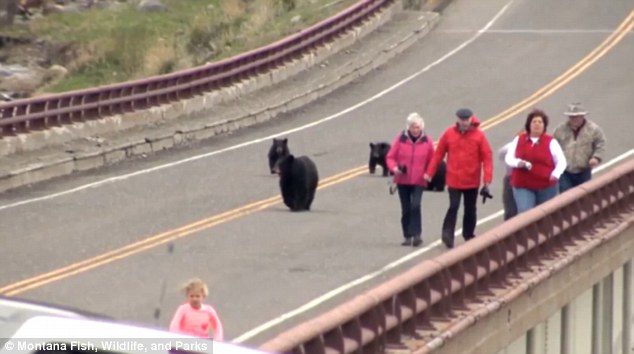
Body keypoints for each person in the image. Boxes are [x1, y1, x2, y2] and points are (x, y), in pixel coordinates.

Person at [425, 108, 493, 249]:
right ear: (457, 119)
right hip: (454, 179)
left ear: (470, 119)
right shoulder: (449, 134)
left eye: (466, 120)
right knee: (453, 206)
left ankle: (468, 234)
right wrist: (429, 173)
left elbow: (487, 158)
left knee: (470, 209)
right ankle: (447, 234)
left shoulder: (479, 136)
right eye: (461, 120)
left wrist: (487, 180)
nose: (464, 123)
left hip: (471, 180)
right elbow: (438, 154)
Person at [386, 112, 435, 247]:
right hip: (403, 179)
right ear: (408, 127)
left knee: (416, 205)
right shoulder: (401, 139)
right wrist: (395, 169)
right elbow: (390, 157)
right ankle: (407, 235)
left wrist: (428, 173)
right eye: (413, 127)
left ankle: (417, 234)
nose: (415, 130)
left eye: (418, 127)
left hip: (419, 180)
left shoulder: (427, 141)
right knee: (406, 208)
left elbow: (434, 160)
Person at [505, 109, 567, 214]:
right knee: (525, 213)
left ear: (544, 126)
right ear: (529, 125)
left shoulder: (551, 142)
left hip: (546, 185)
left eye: (540, 122)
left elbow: (561, 161)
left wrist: (556, 174)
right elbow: (509, 158)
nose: (537, 124)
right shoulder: (519, 139)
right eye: (534, 122)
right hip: (523, 185)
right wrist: (518, 163)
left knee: (546, 214)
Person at [552, 102, 606, 193]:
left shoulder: (593, 129)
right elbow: (552, 146)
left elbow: (600, 144)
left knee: (584, 195)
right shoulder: (560, 130)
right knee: (566, 197)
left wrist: (596, 157)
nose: (573, 119)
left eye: (576, 117)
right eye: (571, 117)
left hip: (584, 170)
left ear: (582, 116)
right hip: (565, 171)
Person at [498, 130, 523, 221]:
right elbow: (501, 154)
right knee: (510, 208)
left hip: (526, 180)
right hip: (511, 179)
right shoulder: (509, 148)